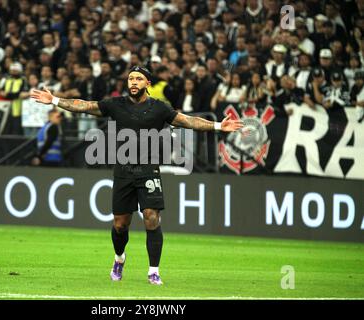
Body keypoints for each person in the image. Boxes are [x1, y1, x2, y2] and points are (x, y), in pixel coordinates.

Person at [30, 66, 243, 286]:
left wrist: (218, 125)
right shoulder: (116, 104)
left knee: (151, 217)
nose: (133, 82)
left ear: (147, 84)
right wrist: (55, 100)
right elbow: (84, 106)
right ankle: (119, 258)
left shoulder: (159, 108)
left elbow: (187, 121)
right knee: (121, 224)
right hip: (123, 171)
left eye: (138, 79)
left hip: (149, 170)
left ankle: (153, 271)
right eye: (130, 78)